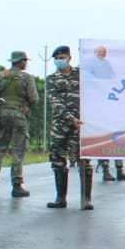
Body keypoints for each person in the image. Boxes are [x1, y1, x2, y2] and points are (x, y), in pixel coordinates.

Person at [45, 45, 94, 210]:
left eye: (62, 57)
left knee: (84, 160)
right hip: (60, 124)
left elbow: (93, 94)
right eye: (57, 59)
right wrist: (69, 118)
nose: (60, 61)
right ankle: (60, 198)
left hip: (81, 124)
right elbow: (54, 102)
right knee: (58, 160)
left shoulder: (81, 76)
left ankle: (86, 198)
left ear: (69, 58)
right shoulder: (52, 79)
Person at [0, 50, 38, 197]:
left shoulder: (0, 76)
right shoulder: (26, 78)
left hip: (2, 116)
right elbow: (34, 98)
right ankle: (17, 185)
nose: (25, 64)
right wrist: (26, 104)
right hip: (19, 117)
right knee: (18, 151)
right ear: (20, 62)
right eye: (25, 61)